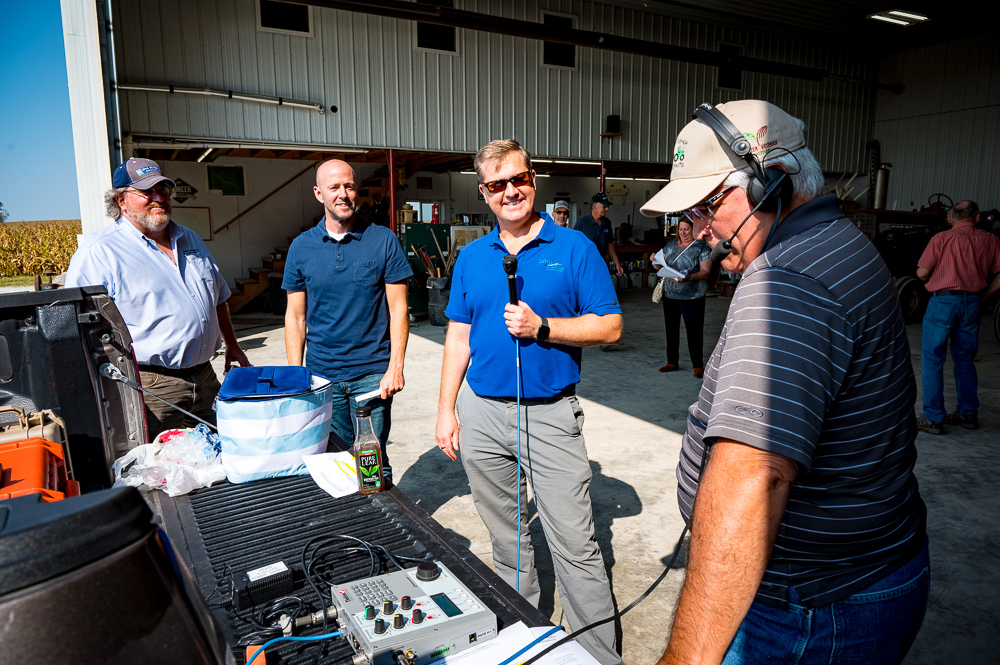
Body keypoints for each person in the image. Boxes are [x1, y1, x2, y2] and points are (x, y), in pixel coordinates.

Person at [640, 100, 928, 665]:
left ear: (770, 186)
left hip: (812, 607)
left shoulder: (788, 281)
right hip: (861, 576)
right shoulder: (835, 241)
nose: (696, 233)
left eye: (707, 205)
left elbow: (753, 478)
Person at [435, 139, 624, 665]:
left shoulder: (574, 248)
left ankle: (599, 656)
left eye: (518, 179)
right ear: (484, 194)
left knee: (576, 547)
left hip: (549, 416)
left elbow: (610, 326)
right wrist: (447, 407)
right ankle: (525, 636)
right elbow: (457, 335)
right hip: (481, 411)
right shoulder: (473, 257)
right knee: (507, 541)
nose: (510, 191)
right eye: (498, 185)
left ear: (533, 179)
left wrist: (544, 327)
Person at [66, 158, 249, 435]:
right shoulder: (99, 252)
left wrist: (232, 345)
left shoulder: (190, 239)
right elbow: (78, 328)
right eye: (146, 192)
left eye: (163, 189)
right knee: (159, 468)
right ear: (121, 201)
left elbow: (218, 296)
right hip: (152, 387)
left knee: (222, 455)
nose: (158, 198)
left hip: (206, 377)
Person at [283, 159, 412, 482]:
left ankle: (383, 524)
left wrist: (395, 366)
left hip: (371, 374)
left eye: (349, 186)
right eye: (334, 187)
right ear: (318, 193)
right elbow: (295, 317)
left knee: (372, 458)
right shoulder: (301, 248)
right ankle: (354, 517)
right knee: (338, 459)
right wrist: (295, 375)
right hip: (323, 374)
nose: (344, 194)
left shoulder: (382, 240)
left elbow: (399, 309)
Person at [915, 200, 1000, 434]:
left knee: (933, 359)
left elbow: (922, 273)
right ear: (978, 217)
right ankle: (967, 413)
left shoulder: (941, 239)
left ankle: (933, 418)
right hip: (972, 302)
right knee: (964, 359)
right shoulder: (990, 240)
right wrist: (984, 296)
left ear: (950, 218)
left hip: (943, 301)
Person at [652, 217, 712, 377]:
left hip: (693, 296)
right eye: (681, 229)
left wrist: (690, 277)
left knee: (694, 330)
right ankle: (672, 361)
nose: (683, 233)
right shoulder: (671, 245)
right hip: (670, 295)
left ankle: (697, 365)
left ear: (694, 229)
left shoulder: (701, 246)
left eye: (687, 229)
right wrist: (654, 261)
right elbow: (660, 265)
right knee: (671, 329)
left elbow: (706, 271)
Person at [575, 193, 625, 276]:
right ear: (595, 207)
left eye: (607, 206)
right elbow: (574, 245)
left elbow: (609, 244)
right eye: (604, 206)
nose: (607, 209)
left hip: (601, 264)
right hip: (585, 266)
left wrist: (617, 263)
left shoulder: (607, 223)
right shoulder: (582, 223)